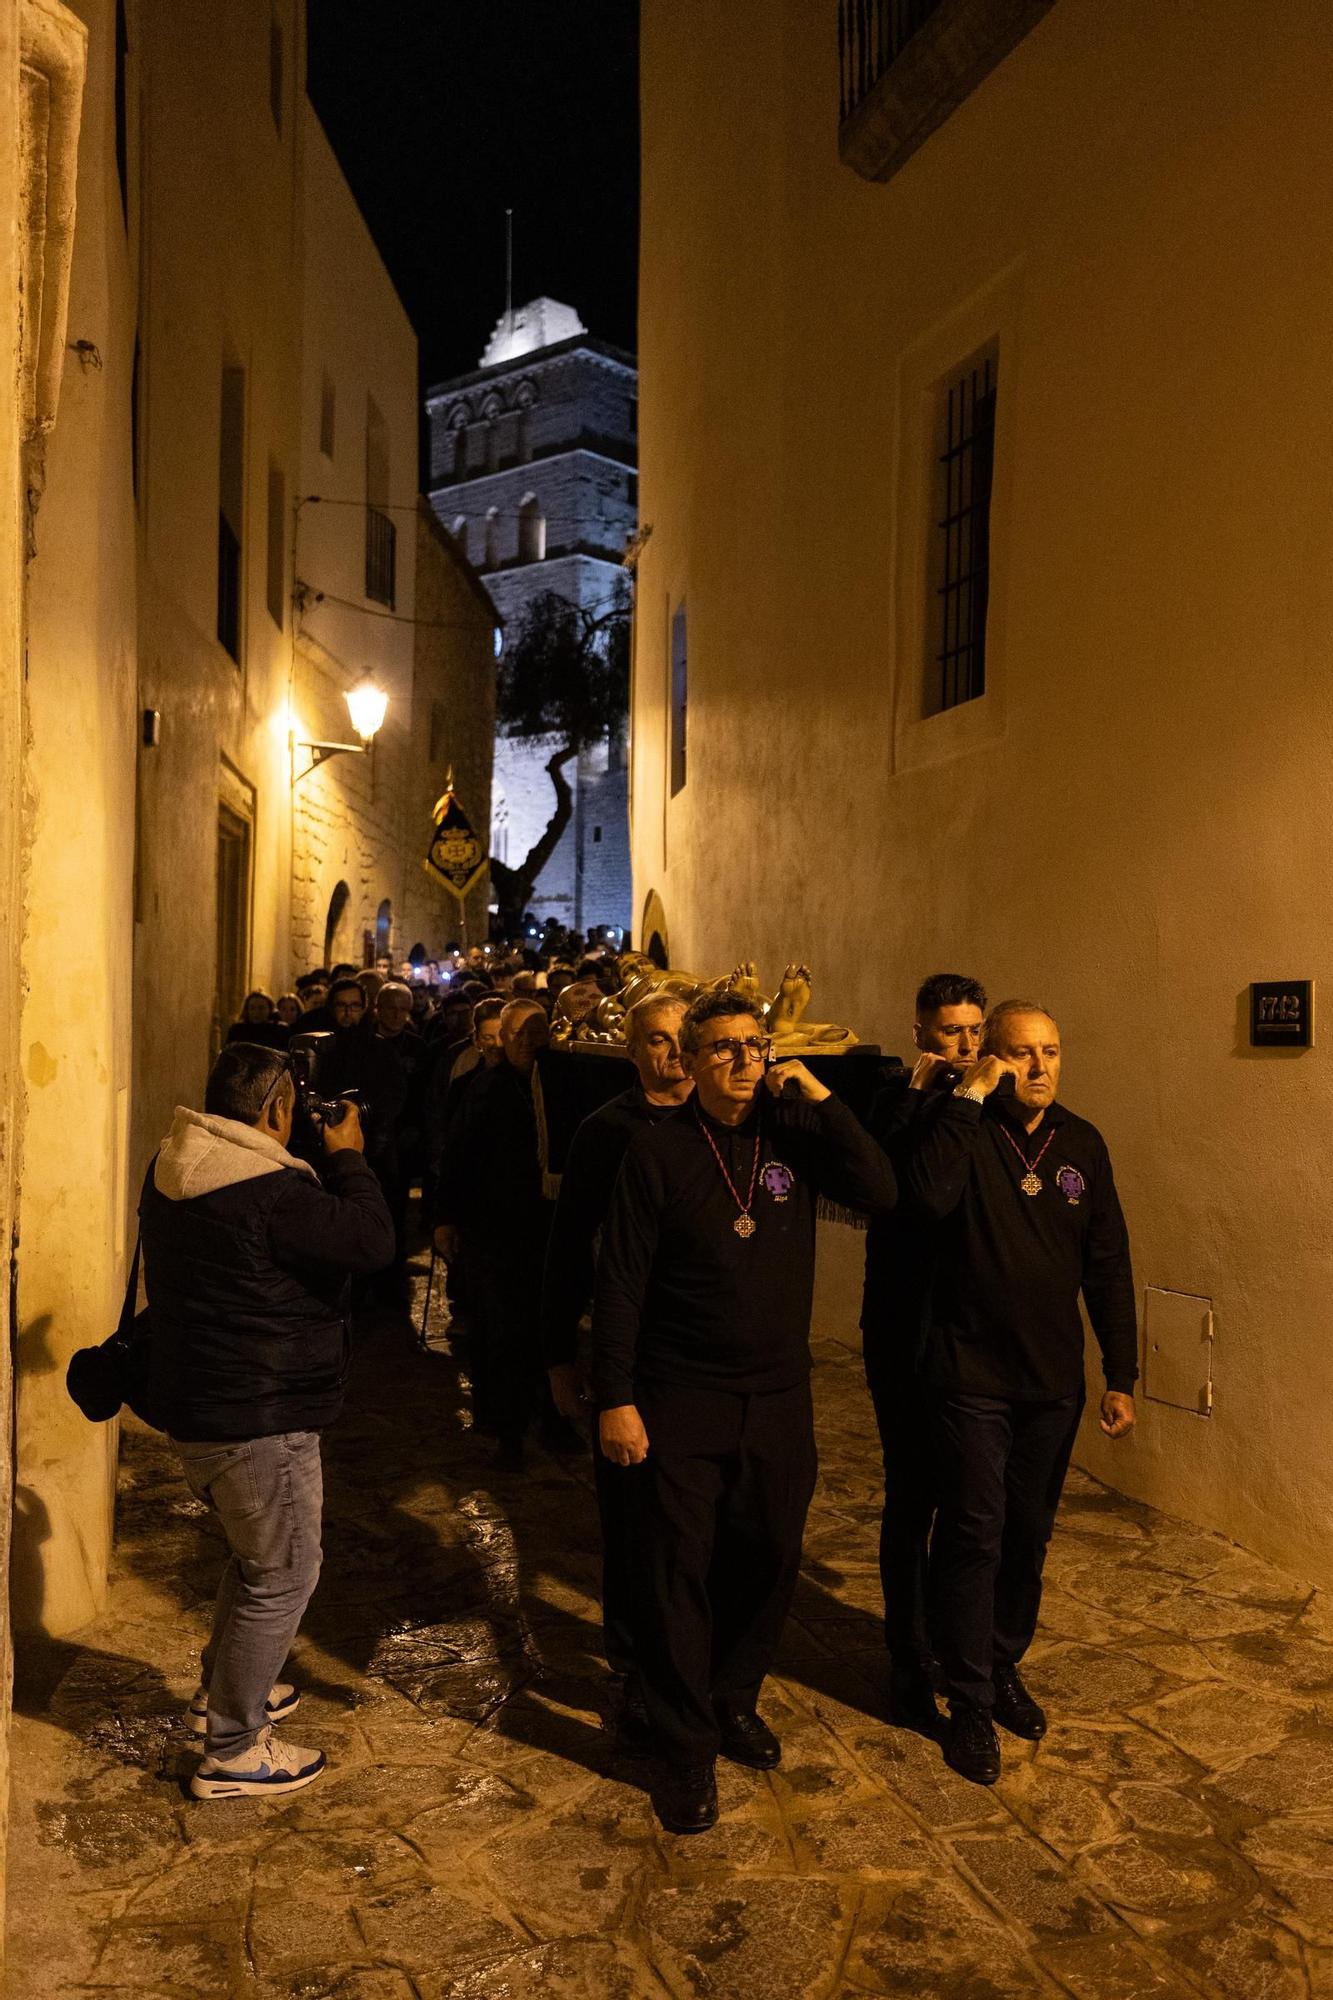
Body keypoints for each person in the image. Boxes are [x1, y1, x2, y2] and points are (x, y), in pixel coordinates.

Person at [592, 990, 897, 1834]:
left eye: (753, 1046)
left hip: (776, 1398)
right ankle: (685, 1750)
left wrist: (826, 1102)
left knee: (766, 1558)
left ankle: (732, 1698)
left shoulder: (791, 1139)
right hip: (677, 1396)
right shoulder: (655, 1152)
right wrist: (613, 1397)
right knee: (677, 1573)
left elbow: (882, 1190)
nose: (740, 1061)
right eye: (721, 1048)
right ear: (688, 1063)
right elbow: (618, 1283)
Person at [139, 1041, 394, 1798]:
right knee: (285, 1574)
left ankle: (221, 1695)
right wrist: (349, 1156)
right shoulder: (271, 1191)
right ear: (279, 1107)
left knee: (256, 1564)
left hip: (202, 1402)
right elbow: (371, 1241)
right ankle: (235, 1747)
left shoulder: (172, 1165)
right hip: (260, 1413)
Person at [902, 1000, 1137, 1785]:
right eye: (1021, 1054)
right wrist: (967, 1096)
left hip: (1049, 1384)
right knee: (973, 1529)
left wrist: (1121, 1375)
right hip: (968, 1376)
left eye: (1051, 1052)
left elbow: (1107, 1265)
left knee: (1026, 1535)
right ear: (991, 1060)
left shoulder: (1081, 1144)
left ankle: (1000, 1662)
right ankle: (966, 1700)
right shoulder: (959, 1128)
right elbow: (927, 1200)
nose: (1039, 1067)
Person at [541, 995, 693, 1742]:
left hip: (701, 1360)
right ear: (632, 1052)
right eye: (657, 1042)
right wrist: (560, 1357)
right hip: (627, 1353)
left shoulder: (728, 1126)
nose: (672, 1055)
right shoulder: (606, 1133)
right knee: (633, 1529)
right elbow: (569, 1249)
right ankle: (633, 1673)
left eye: (681, 1040)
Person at [860, 971, 987, 1730]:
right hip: (902, 1328)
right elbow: (893, 1185)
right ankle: (907, 1656)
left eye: (974, 1030)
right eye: (950, 1031)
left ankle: (958, 1641)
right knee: (912, 1497)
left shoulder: (988, 1102)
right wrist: (919, 1090)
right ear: (920, 1034)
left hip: (968, 1330)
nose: (966, 1045)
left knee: (971, 1503)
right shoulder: (891, 1101)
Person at [434, 997, 563, 1465]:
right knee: (500, 1332)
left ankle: (551, 1417)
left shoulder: (558, 1084)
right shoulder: (484, 1089)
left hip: (546, 1228)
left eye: (538, 1032)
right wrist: (446, 1217)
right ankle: (506, 1427)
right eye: (519, 1034)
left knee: (548, 1329)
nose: (530, 1042)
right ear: (503, 1040)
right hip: (495, 1230)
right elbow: (458, 1155)